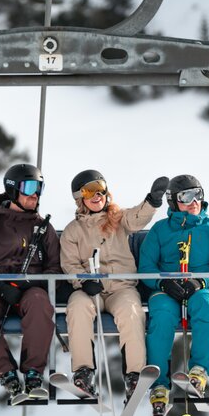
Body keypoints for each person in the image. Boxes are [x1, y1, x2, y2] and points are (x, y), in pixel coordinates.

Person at [59, 170, 168, 400]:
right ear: (80, 198)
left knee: (131, 312)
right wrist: (83, 280)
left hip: (121, 288)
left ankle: (134, 375)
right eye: (90, 191)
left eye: (100, 188)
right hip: (90, 290)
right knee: (77, 307)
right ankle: (83, 371)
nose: (97, 195)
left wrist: (152, 201)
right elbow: (69, 264)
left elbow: (137, 218)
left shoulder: (118, 218)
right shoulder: (73, 231)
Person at [138, 174, 209, 416]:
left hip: (198, 288)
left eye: (198, 194)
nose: (194, 201)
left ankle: (198, 372)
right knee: (160, 314)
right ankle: (159, 386)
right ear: (173, 202)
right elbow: (146, 266)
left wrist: (201, 281)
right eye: (186, 196)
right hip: (168, 290)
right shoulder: (160, 231)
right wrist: (162, 282)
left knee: (207, 306)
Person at [0, 163, 59, 399]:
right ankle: (5, 372)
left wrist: (33, 283)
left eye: (39, 188)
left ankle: (33, 372)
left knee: (40, 302)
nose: (35, 194)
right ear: (12, 190)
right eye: (29, 187)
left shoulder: (43, 228)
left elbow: (54, 268)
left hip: (31, 289)